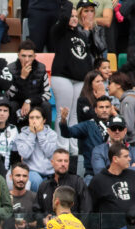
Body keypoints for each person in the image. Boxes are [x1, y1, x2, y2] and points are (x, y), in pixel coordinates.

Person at [51, 1, 106, 151]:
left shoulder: (81, 34)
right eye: (71, 16)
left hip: (80, 80)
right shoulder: (59, 31)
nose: (74, 18)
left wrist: (90, 30)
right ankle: (62, 149)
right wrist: (68, 4)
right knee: (64, 114)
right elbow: (62, 19)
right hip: (63, 77)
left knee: (75, 115)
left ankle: (74, 150)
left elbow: (96, 50)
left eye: (76, 16)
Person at [88, 142, 135, 229]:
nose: (129, 159)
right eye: (126, 156)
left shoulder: (133, 176)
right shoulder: (98, 181)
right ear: (115, 159)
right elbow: (91, 213)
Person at [59, 97, 112, 180]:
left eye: (107, 107)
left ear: (111, 108)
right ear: (95, 110)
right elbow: (67, 133)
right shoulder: (87, 125)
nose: (104, 110)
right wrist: (63, 120)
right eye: (101, 107)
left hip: (114, 172)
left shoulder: (118, 126)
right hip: (92, 173)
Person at [34, 148, 92, 223]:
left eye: (66, 161)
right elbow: (36, 210)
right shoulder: (44, 185)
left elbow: (86, 209)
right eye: (60, 161)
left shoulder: (77, 182)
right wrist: (43, 220)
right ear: (52, 162)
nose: (63, 164)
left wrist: (77, 226)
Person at [5, 40, 52, 128]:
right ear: (18, 55)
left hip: (35, 104)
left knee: (46, 105)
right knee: (12, 105)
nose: (27, 59)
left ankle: (47, 135)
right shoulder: (10, 69)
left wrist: (29, 101)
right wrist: (22, 78)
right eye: (23, 56)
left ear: (35, 56)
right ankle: (11, 134)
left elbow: (47, 94)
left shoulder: (41, 68)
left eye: (30, 56)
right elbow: (9, 95)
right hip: (18, 104)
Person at [0, 162, 38, 229]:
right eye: (18, 175)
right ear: (11, 177)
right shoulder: (4, 198)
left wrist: (27, 225)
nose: (21, 179)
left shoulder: (34, 197)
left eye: (24, 176)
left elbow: (41, 222)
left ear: (28, 178)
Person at [14, 107, 57, 188]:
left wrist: (40, 133)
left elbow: (50, 153)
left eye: (38, 117)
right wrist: (32, 134)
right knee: (36, 180)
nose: (34, 120)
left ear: (44, 120)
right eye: (31, 118)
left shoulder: (52, 134)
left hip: (50, 172)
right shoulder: (22, 135)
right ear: (28, 120)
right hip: (31, 171)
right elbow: (25, 154)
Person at [108, 72, 135, 144]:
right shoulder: (129, 98)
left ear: (118, 85)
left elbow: (128, 127)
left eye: (110, 83)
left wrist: (115, 114)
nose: (108, 87)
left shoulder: (127, 101)